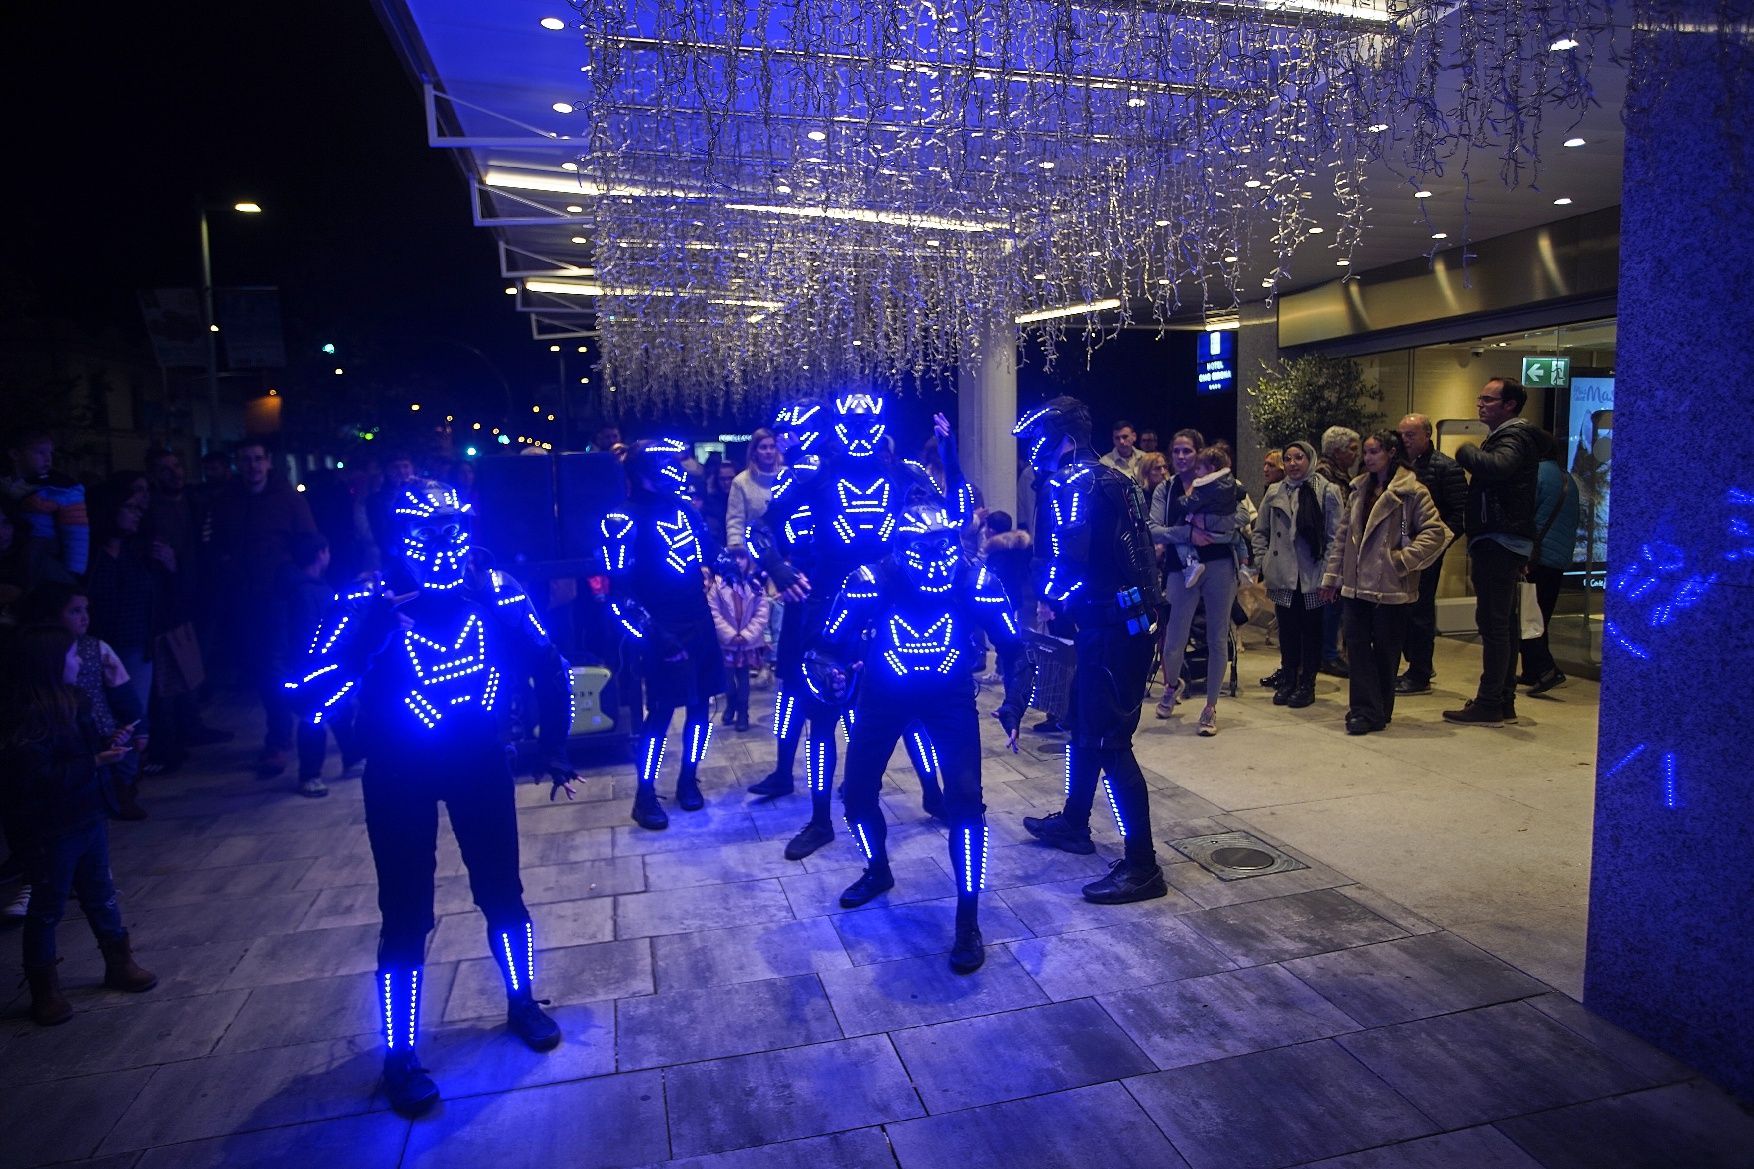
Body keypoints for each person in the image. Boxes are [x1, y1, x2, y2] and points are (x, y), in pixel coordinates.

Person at [286, 480, 577, 1117]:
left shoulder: (494, 589)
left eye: (455, 533)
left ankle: (521, 1000)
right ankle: (399, 1053)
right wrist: (369, 644)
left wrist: (553, 746)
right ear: (397, 538)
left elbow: (549, 661)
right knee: (406, 914)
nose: (444, 550)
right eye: (427, 534)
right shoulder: (365, 599)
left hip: (478, 762)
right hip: (398, 772)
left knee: (503, 891)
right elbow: (302, 700)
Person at [813, 505, 1030, 971]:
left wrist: (1015, 704)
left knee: (967, 807)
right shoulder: (870, 578)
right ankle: (877, 869)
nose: (934, 561)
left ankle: (967, 918)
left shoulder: (974, 579)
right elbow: (826, 644)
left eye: (942, 548)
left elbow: (1015, 646)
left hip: (949, 697)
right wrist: (832, 678)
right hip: (882, 694)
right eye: (921, 549)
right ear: (901, 547)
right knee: (856, 798)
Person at [746, 397, 957, 857]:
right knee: (822, 719)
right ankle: (821, 819)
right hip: (828, 614)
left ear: (881, 426)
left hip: (890, 610)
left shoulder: (905, 474)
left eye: (869, 423)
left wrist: (951, 458)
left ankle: (934, 794)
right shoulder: (811, 476)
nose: (860, 432)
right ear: (836, 427)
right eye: (850, 424)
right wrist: (779, 570)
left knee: (910, 710)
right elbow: (758, 530)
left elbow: (951, 518)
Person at [1014, 397, 1168, 904]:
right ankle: (1075, 823)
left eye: (1039, 442)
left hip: (1113, 629)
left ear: (1066, 440)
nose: (1033, 453)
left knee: (1109, 744)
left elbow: (1067, 559)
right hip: (1112, 623)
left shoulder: (1074, 482)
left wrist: (1046, 600)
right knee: (1084, 725)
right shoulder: (1108, 478)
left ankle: (1143, 865)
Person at [2, 625, 157, 1026]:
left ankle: (118, 961)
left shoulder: (76, 702)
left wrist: (108, 743)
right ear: (50, 665)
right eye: (73, 656)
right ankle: (44, 988)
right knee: (47, 906)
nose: (79, 661)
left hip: (88, 815)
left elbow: (84, 751)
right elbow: (35, 778)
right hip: (49, 829)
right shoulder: (25, 719)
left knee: (101, 892)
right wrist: (94, 761)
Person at [598, 439, 726, 828]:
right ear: (642, 473)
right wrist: (653, 633)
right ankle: (645, 793)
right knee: (661, 713)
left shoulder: (685, 510)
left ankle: (689, 777)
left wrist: (736, 562)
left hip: (698, 619)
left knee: (702, 708)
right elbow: (618, 593)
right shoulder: (622, 520)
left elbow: (709, 551)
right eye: (667, 464)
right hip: (660, 627)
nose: (676, 470)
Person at [1319, 432, 1450, 734]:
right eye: (1365, 452)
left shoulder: (1412, 492)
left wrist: (1401, 561)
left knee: (1386, 650)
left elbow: (1436, 533)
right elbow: (1342, 539)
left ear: (1391, 452)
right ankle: (1364, 709)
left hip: (1390, 587)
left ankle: (1377, 709)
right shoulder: (1358, 490)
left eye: (1374, 451)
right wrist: (1332, 578)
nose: (1367, 457)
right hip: (1355, 585)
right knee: (1357, 646)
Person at [210, 440, 318, 775]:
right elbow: (218, 542)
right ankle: (285, 734)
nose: (253, 466)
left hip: (281, 596)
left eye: (258, 459)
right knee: (261, 668)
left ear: (268, 462)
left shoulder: (288, 500)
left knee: (278, 667)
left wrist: (299, 580)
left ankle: (282, 740)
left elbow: (310, 543)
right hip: (245, 598)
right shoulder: (227, 500)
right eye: (246, 460)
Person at [1445, 378, 1542, 727]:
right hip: (1501, 539)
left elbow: (1499, 467)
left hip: (1499, 540)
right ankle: (1502, 700)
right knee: (1502, 623)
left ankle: (1490, 703)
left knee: (1494, 623)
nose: (1480, 404)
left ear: (1510, 405)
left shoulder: (1513, 437)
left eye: (1488, 399)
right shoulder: (1511, 436)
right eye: (1480, 397)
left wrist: (1466, 452)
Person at [85, 484, 163, 819]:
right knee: (97, 716)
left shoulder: (137, 552)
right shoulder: (88, 555)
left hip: (134, 643)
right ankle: (101, 786)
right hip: (95, 646)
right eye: (129, 507)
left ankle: (125, 786)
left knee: (133, 714)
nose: (137, 514)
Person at [1153, 447, 1243, 735]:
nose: (1181, 456)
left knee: (1217, 636)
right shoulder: (1166, 489)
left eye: (1187, 450)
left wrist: (1211, 526)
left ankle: (1210, 706)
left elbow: (1243, 516)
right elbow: (1152, 528)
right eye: (1176, 450)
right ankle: (1172, 684)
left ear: (1200, 456)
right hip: (1181, 567)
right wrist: (1188, 534)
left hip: (1220, 564)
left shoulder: (1226, 483)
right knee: (1173, 641)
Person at [1252, 441, 1342, 709]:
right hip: (1282, 574)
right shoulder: (1275, 492)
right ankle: (1289, 677)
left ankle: (1307, 683)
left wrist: (1329, 575)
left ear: (1309, 459)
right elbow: (1260, 532)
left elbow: (1334, 538)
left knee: (1311, 632)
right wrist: (1264, 562)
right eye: (1288, 459)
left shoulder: (1326, 490)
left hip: (1312, 574)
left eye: (1298, 458)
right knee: (1287, 631)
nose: (1293, 463)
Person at [276, 532, 359, 797]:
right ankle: (310, 775)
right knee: (315, 718)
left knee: (340, 710)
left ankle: (352, 758)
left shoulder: (306, 588)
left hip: (320, 667)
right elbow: (312, 634)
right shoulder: (308, 592)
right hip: (314, 668)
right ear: (321, 553)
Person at [1393, 414, 1468, 695]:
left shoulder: (1445, 468)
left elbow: (1460, 512)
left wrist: (1436, 544)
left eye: (1410, 435)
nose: (1404, 440)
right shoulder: (1399, 467)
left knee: (1420, 611)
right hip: (1398, 551)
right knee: (1401, 609)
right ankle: (1413, 663)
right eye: (1401, 434)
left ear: (1427, 436)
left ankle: (1420, 671)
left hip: (1426, 552)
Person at [1519, 428, 1581, 695]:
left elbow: (1525, 515)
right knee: (1541, 614)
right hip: (1558, 558)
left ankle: (1546, 670)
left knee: (1528, 616)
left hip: (1537, 557)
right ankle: (1533, 670)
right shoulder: (1568, 479)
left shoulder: (1535, 475)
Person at [2, 429, 88, 584]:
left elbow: (76, 530)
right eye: (40, 452)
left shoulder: (63, 488)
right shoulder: (6, 484)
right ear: (15, 454)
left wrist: (74, 569)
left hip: (41, 548)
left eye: (50, 453)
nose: (48, 458)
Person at [1314, 427, 1361, 677]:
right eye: (1352, 449)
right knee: (1330, 604)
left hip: (1339, 548)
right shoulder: (1325, 475)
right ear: (1337, 450)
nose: (1357, 454)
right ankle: (1328, 655)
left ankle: (1331, 652)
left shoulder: (1341, 475)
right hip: (1329, 550)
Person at [709, 549, 770, 732]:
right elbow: (714, 613)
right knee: (727, 679)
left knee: (743, 678)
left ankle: (743, 712)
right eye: (734, 557)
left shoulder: (754, 584)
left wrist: (746, 635)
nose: (738, 561)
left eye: (741, 557)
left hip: (746, 642)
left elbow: (762, 612)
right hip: (727, 642)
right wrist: (729, 634)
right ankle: (731, 704)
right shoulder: (717, 586)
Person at [726, 428, 783, 551]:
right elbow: (735, 519)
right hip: (757, 547)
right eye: (763, 447)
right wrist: (737, 547)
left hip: (787, 544)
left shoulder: (787, 475)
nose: (769, 451)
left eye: (772, 447)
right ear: (754, 452)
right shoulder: (741, 481)